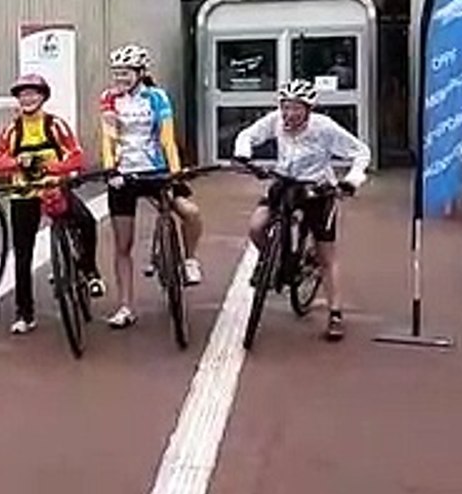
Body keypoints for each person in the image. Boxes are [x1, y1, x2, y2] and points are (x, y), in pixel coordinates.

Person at [233, 79, 370, 342]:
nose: (289, 114)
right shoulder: (275, 121)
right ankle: (276, 261)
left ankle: (335, 314)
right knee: (256, 226)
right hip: (286, 184)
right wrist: (244, 154)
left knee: (325, 254)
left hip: (319, 189)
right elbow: (248, 134)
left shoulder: (324, 128)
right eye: (285, 107)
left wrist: (352, 180)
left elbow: (361, 151)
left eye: (296, 108)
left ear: (308, 109)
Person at [100, 44, 205, 330]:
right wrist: (111, 168)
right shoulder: (109, 99)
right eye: (117, 73)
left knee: (189, 212)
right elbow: (108, 136)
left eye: (126, 73)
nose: (120, 78)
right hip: (123, 174)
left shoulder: (157, 97)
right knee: (123, 244)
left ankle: (189, 259)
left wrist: (174, 172)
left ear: (140, 73)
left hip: (155, 169)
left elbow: (167, 138)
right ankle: (125, 306)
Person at [0, 73, 100, 335]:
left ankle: (89, 270)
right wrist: (18, 163)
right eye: (23, 94)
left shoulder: (55, 125)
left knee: (87, 221)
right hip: (24, 195)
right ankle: (24, 313)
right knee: (23, 255)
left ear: (42, 97)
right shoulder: (12, 130)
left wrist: (54, 168)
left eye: (33, 94)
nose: (27, 99)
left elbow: (77, 156)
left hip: (55, 190)